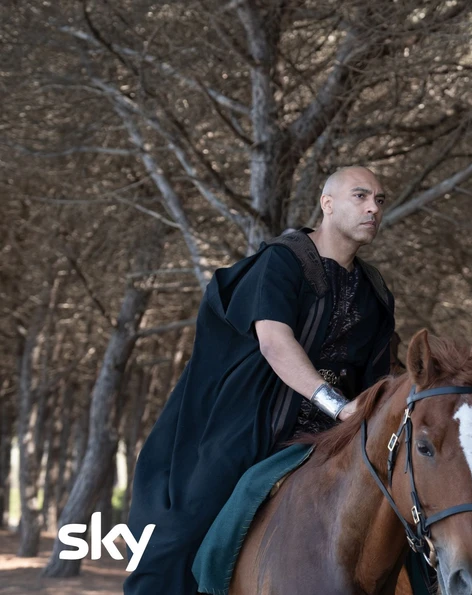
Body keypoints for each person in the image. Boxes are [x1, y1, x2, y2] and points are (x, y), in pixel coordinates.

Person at [123, 166, 396, 594]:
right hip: (253, 423)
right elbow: (274, 343)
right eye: (360, 196)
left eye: (379, 200)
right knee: (182, 532)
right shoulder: (283, 261)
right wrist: (339, 406)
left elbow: (380, 377)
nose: (373, 208)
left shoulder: (374, 291)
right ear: (327, 204)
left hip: (335, 438)